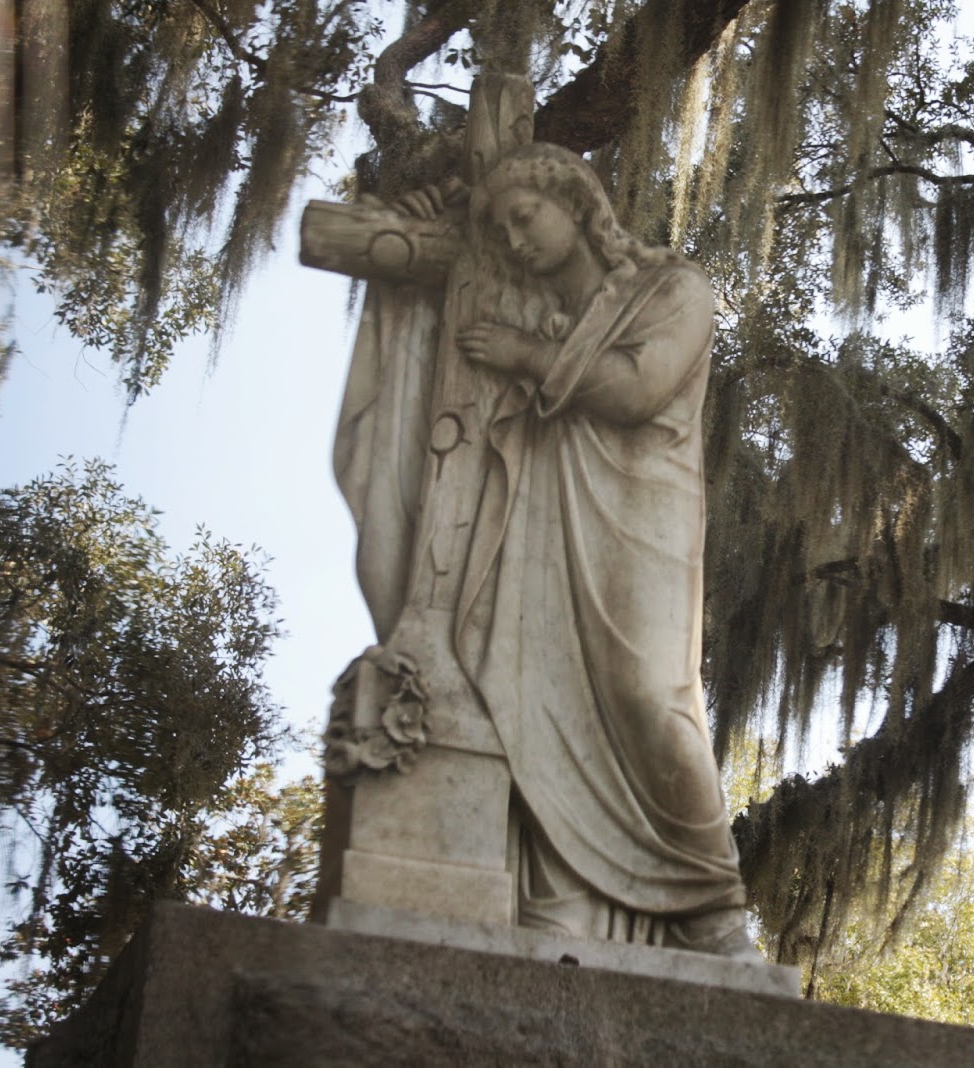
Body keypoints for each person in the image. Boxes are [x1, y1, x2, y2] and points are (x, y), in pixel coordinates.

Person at [329, 142, 752, 956]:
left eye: (525, 217)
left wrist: (527, 357)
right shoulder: (515, 308)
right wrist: (412, 267)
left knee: (647, 696)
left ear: (578, 204)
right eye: (502, 230)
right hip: (535, 519)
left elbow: (635, 388)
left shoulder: (675, 288)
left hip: (639, 517)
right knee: (534, 689)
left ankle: (713, 910)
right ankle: (562, 909)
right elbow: (436, 378)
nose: (516, 240)